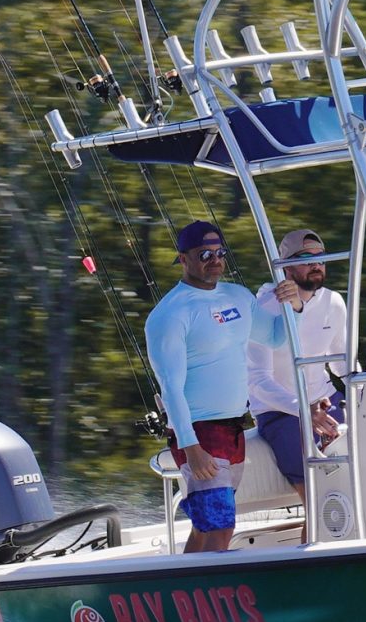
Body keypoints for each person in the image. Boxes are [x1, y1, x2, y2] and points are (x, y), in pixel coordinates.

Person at [146, 219, 295, 551]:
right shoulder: (170, 314)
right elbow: (170, 386)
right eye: (204, 254)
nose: (214, 260)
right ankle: (210, 598)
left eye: (219, 252)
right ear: (183, 259)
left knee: (206, 526)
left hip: (233, 429)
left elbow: (273, 336)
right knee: (220, 526)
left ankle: (182, 595)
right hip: (199, 432)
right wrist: (191, 447)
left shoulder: (238, 296)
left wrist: (292, 306)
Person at [247, 227, 349, 499]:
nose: (316, 264)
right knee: (321, 502)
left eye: (321, 257)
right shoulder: (265, 307)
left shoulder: (334, 302)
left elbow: (344, 364)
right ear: (287, 267)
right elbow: (257, 382)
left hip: (326, 399)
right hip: (280, 413)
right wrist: (305, 410)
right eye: (306, 258)